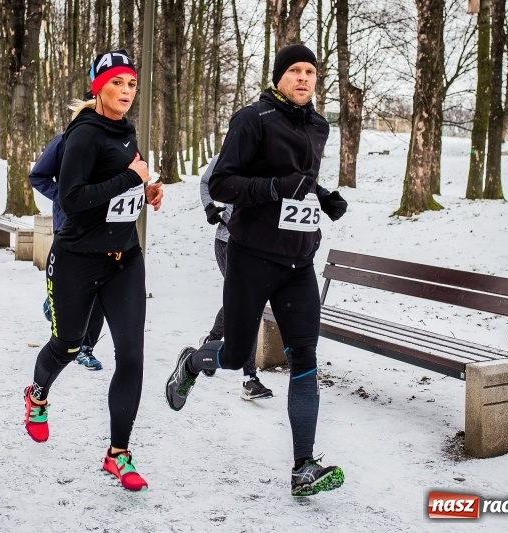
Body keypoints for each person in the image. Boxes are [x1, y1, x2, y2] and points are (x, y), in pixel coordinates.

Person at [164, 44, 349, 497]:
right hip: (251, 256)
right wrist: (276, 188)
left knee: (304, 357)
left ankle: (303, 467)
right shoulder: (253, 119)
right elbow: (224, 182)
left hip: (298, 261)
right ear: (279, 77)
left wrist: (322, 197)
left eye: (311, 71)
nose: (304, 78)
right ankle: (191, 362)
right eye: (295, 71)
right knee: (233, 356)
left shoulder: (319, 126)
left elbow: (298, 178)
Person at [23, 49, 163, 492]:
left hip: (125, 259)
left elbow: (125, 185)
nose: (125, 91)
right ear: (98, 86)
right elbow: (72, 199)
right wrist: (130, 179)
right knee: (68, 345)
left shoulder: (127, 131)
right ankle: (37, 395)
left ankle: (118, 454)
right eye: (117, 83)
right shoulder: (83, 134)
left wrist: (148, 190)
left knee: (132, 356)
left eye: (131, 84)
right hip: (77, 260)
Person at [199, 153, 273, 400]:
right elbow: (205, 182)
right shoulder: (228, 155)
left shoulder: (274, 157)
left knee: (242, 302)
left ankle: (210, 344)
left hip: (258, 245)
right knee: (246, 303)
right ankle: (249, 378)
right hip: (227, 242)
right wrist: (210, 207)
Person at [30, 133, 106, 371]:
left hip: (103, 226)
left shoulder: (112, 141)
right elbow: (38, 176)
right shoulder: (63, 141)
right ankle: (52, 305)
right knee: (72, 282)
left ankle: (85, 347)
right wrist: (65, 196)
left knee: (99, 286)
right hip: (69, 225)